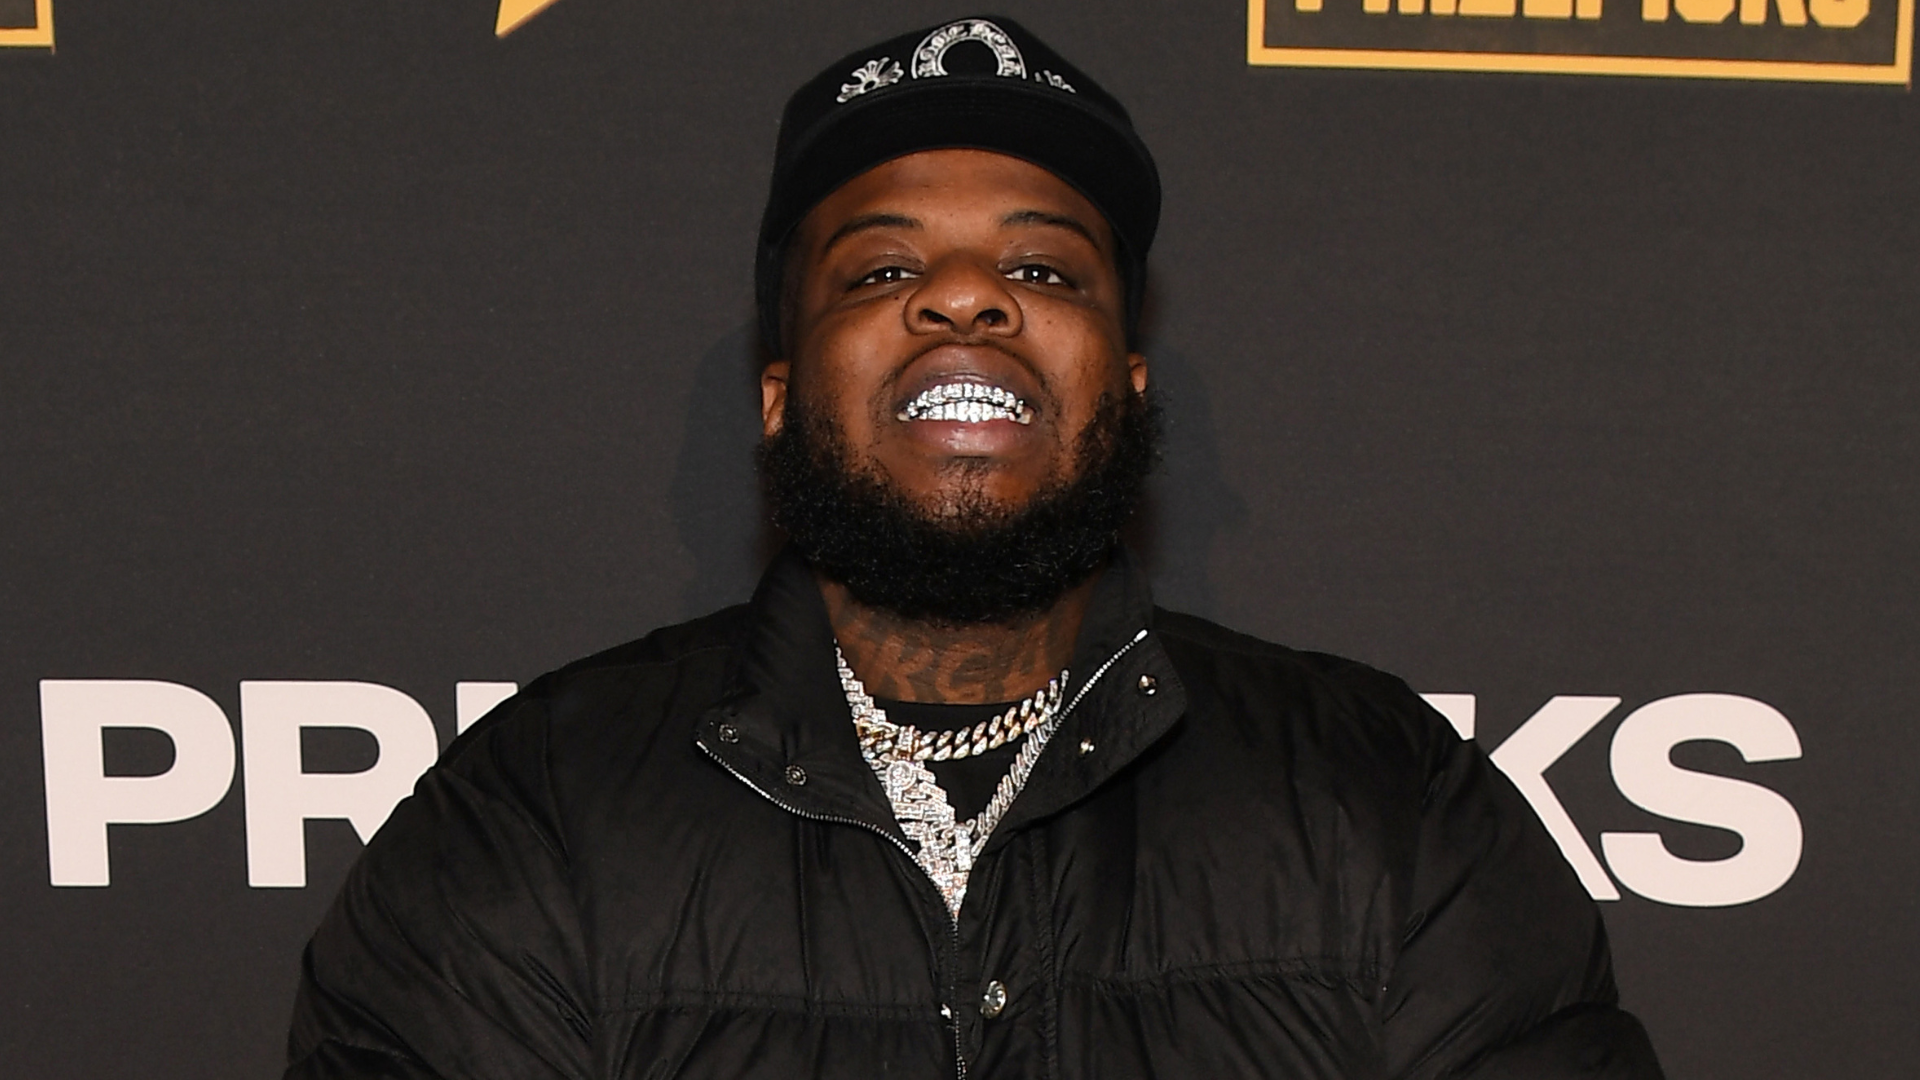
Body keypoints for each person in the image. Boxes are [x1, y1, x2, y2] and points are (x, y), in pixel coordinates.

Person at [285, 15, 1664, 1079]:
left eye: (1046, 270)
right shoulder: (540, 809)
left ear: (1124, 383)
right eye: (883, 272)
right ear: (780, 398)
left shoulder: (1386, 796)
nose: (965, 297)